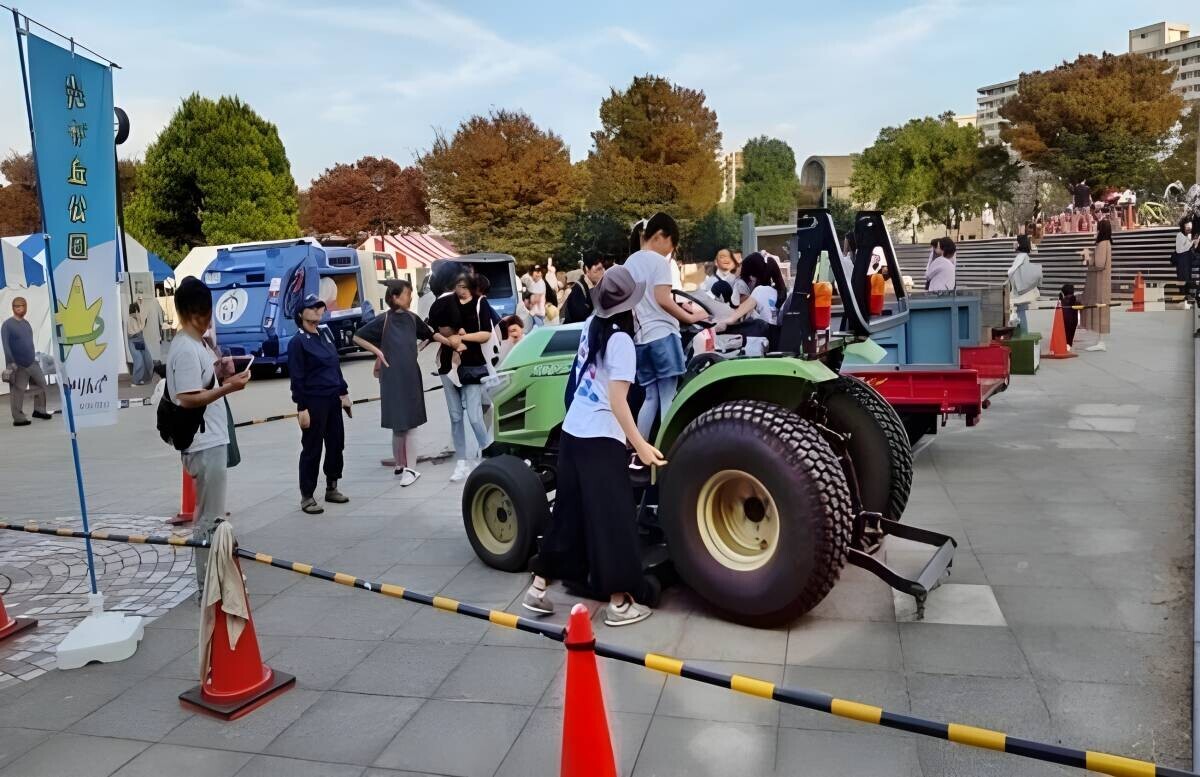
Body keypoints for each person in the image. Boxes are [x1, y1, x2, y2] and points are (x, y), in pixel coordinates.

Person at [521, 265, 665, 626]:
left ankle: (538, 589)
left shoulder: (591, 325)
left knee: (568, 516)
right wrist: (642, 446)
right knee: (613, 521)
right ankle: (619, 604)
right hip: (601, 439)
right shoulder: (623, 342)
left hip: (574, 432)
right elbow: (618, 402)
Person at [167, 277, 250, 587]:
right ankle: (208, 584)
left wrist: (220, 374)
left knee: (212, 514)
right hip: (203, 442)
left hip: (209, 439)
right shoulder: (186, 349)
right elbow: (187, 398)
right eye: (208, 312)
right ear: (198, 313)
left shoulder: (195, 345)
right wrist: (228, 387)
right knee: (210, 518)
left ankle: (214, 578)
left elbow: (198, 384)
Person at [354, 280, 453, 487]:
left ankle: (401, 464)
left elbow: (430, 334)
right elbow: (358, 337)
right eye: (407, 294)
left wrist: (451, 343)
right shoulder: (384, 320)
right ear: (395, 298)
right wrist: (379, 352)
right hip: (393, 375)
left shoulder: (411, 318)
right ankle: (409, 469)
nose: (410, 297)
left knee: (403, 424)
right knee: (403, 423)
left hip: (408, 373)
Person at [623, 213, 708, 441]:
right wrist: (689, 318)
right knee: (669, 396)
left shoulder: (630, 263)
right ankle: (666, 449)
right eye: (671, 245)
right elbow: (663, 298)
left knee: (650, 397)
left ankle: (639, 450)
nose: (670, 251)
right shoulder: (659, 262)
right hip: (663, 334)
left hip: (641, 339)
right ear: (661, 236)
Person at [287, 295, 351, 513]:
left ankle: (332, 486)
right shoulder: (298, 342)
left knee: (336, 444)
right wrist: (301, 407)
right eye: (312, 308)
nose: (317, 311)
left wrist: (344, 392)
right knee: (312, 448)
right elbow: (297, 377)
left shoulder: (325, 333)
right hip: (313, 401)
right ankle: (307, 495)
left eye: (319, 307)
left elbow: (335, 365)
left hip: (333, 398)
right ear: (300, 314)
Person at [430, 273, 495, 481]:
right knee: (456, 417)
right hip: (447, 366)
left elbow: (486, 334)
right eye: (458, 285)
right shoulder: (444, 304)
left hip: (472, 366)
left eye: (465, 286)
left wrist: (463, 337)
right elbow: (431, 330)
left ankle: (488, 455)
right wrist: (452, 342)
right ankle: (462, 461)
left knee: (475, 416)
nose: (462, 289)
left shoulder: (480, 304)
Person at [717, 252, 786, 354]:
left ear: (752, 276)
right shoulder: (779, 293)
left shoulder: (758, 292)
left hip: (761, 341)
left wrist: (721, 323)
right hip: (776, 342)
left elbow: (734, 317)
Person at [2, 297, 50, 427]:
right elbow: (6, 346)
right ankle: (18, 418)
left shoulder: (26, 323)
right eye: (17, 306)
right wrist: (11, 364)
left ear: (26, 307)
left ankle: (39, 410)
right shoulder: (7, 325)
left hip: (31, 362)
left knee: (42, 385)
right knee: (18, 391)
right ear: (13, 308)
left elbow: (29, 342)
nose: (20, 309)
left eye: (22, 306)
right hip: (18, 364)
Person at [1081, 219, 1113, 352]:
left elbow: (1099, 264)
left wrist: (1089, 260)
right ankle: (1100, 340)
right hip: (1103, 282)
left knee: (1099, 308)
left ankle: (1100, 341)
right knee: (1101, 309)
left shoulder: (1102, 244)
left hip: (1099, 283)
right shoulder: (1107, 243)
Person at [1007, 235, 1040, 334]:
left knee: (1020, 314)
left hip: (1020, 291)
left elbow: (1011, 272)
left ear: (1020, 244)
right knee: (1021, 313)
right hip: (1022, 290)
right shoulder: (1024, 256)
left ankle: (1022, 334)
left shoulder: (1021, 256)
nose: (1014, 243)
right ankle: (1022, 333)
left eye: (1016, 241)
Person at [562, 256, 605, 324]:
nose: (602, 273)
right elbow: (580, 318)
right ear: (587, 269)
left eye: (603, 269)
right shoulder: (578, 290)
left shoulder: (597, 287)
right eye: (598, 269)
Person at [126, 300, 154, 386]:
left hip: (140, 340)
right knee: (139, 360)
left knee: (147, 359)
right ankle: (135, 381)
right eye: (136, 311)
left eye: (137, 310)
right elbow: (140, 328)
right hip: (133, 341)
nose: (137, 312)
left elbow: (141, 327)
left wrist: (139, 319)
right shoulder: (131, 319)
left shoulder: (136, 318)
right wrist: (139, 319)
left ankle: (142, 378)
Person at [1174, 218, 1199, 308]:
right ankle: (1181, 301)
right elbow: (1180, 250)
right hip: (1181, 261)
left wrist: (1195, 242)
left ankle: (1186, 301)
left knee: (1187, 281)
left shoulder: (1188, 235)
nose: (1189, 228)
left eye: (1190, 226)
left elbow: (1191, 248)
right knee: (1182, 281)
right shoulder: (1179, 235)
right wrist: (1192, 241)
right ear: (1183, 226)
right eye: (1187, 226)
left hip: (1187, 261)